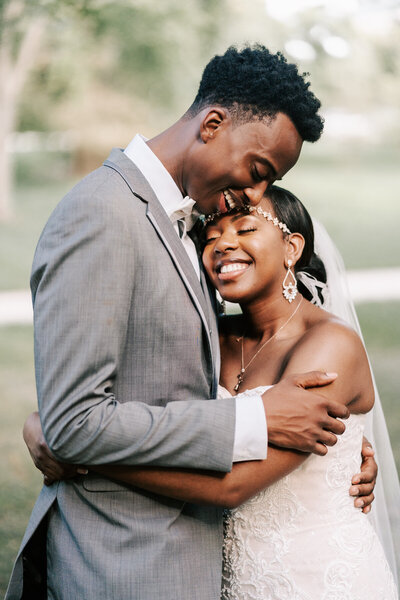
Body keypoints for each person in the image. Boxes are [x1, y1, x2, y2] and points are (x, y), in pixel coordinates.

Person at [5, 46, 377, 600]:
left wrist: (333, 458)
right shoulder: (103, 213)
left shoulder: (187, 222)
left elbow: (147, 384)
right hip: (125, 569)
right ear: (211, 124)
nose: (254, 194)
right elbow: (77, 418)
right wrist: (257, 420)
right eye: (258, 170)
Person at [35, 186, 395, 599]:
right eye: (210, 236)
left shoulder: (331, 344)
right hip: (222, 580)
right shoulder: (210, 339)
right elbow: (112, 400)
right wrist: (45, 423)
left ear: (291, 247)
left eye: (245, 228)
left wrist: (82, 451)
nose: (223, 244)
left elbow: (232, 486)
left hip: (318, 577)